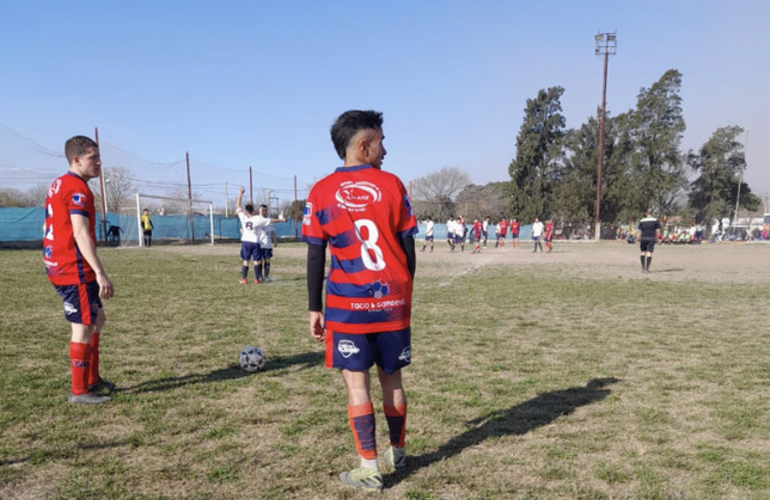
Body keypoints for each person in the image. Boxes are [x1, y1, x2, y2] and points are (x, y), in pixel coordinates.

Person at [302, 110, 417, 492]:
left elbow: (316, 254)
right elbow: (408, 248)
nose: (386, 149)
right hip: (392, 302)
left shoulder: (319, 191)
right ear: (364, 145)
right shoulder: (393, 184)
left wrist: (314, 308)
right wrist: (403, 294)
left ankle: (369, 466)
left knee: (357, 385)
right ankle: (398, 452)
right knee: (393, 379)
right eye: (382, 141)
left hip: (347, 305)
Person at [43, 136, 115, 404]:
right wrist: (100, 272)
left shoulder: (58, 183)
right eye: (92, 157)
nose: (99, 162)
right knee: (83, 327)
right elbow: (81, 233)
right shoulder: (78, 189)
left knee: (98, 320)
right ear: (76, 159)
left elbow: (47, 224)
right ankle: (79, 391)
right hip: (74, 270)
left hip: (59, 264)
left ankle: (92, 379)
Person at [235, 188, 271, 284]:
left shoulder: (243, 217)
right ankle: (256, 279)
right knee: (257, 261)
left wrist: (240, 194)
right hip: (255, 242)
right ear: (254, 210)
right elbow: (271, 220)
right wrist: (282, 220)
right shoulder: (257, 219)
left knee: (246, 260)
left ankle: (244, 278)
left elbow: (238, 205)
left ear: (246, 210)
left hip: (246, 241)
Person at [255, 204, 285, 282]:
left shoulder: (269, 219)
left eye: (265, 210)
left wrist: (274, 240)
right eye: (263, 210)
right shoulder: (257, 219)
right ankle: (260, 276)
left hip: (267, 243)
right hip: (259, 243)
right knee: (259, 260)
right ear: (259, 210)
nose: (264, 212)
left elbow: (272, 230)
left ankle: (266, 276)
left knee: (267, 260)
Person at [637, 209, 662, 273]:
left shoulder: (642, 221)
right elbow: (658, 231)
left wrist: (637, 239)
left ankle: (643, 267)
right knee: (649, 253)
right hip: (651, 238)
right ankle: (647, 268)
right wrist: (659, 238)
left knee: (642, 252)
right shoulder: (655, 221)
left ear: (646, 213)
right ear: (652, 213)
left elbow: (639, 231)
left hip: (643, 238)